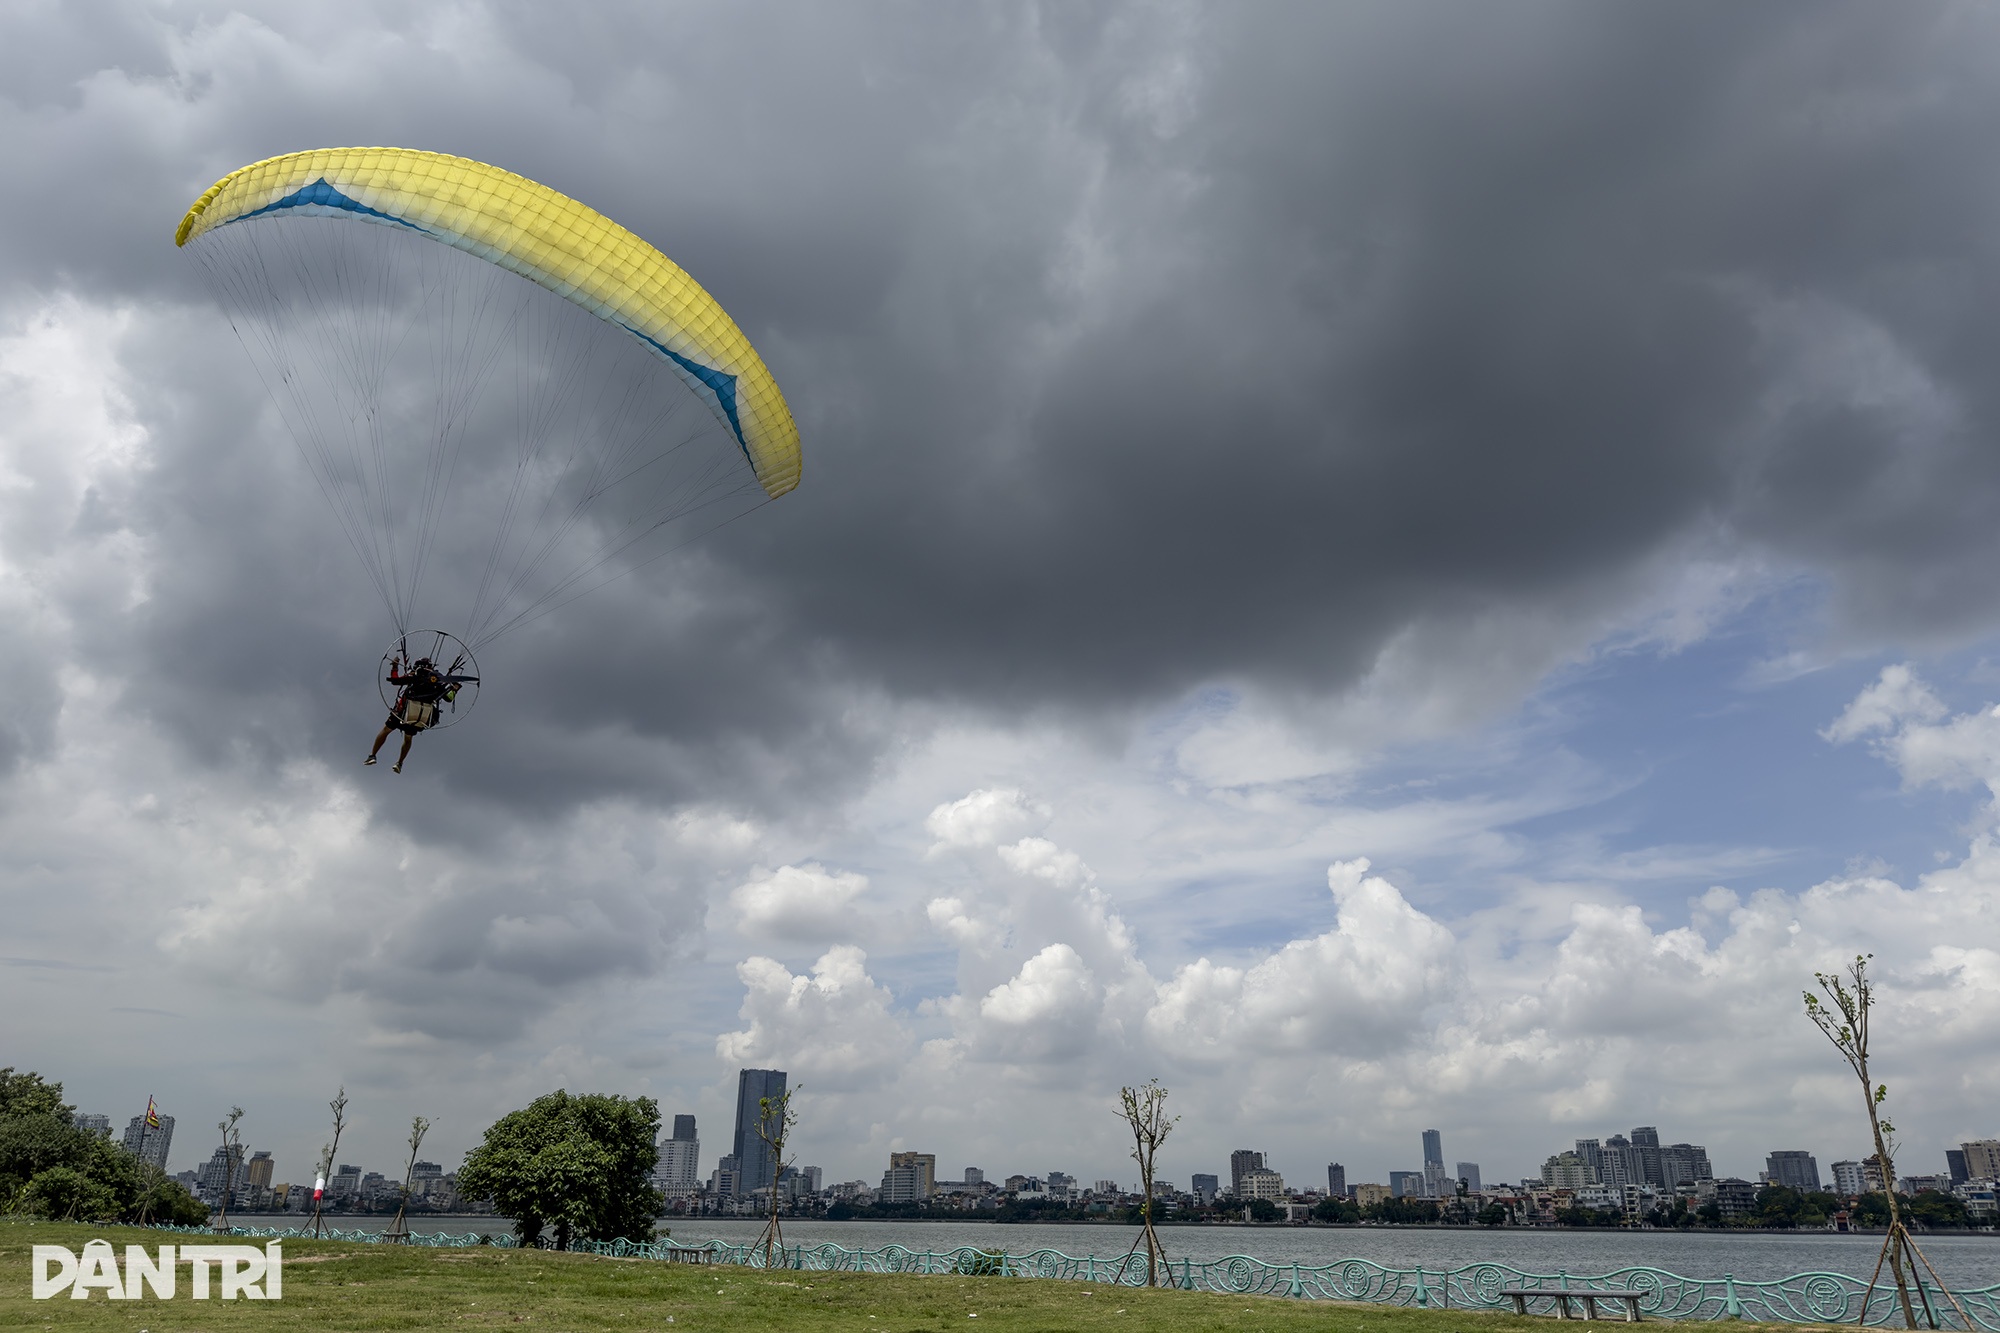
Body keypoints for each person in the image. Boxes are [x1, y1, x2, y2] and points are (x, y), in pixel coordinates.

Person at [366, 656, 459, 773]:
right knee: (408, 738)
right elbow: (448, 698)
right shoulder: (437, 681)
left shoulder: (416, 676)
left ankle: (372, 756)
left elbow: (395, 680)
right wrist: (455, 688)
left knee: (386, 730)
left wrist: (395, 667)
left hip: (402, 713)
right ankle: (399, 763)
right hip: (418, 718)